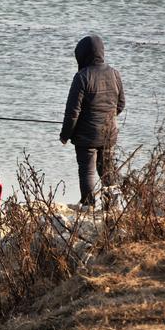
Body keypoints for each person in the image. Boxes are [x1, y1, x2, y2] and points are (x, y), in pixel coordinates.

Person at [60, 34, 125, 210]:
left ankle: (88, 205)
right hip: (109, 133)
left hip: (86, 137)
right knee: (108, 170)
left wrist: (65, 135)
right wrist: (107, 118)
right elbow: (120, 105)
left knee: (87, 170)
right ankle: (112, 206)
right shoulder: (114, 74)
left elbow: (72, 112)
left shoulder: (81, 77)